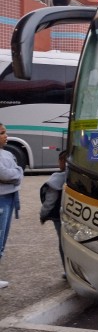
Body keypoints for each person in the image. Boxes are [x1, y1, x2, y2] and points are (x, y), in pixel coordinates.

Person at [0, 123, 24, 289]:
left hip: (9, 197)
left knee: (3, 239)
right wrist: (17, 173)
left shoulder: (6, 153)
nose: (6, 136)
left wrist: (16, 173)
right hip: (2, 199)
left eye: (5, 132)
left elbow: (16, 172)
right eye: (2, 133)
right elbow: (5, 174)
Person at [40, 150, 67, 278]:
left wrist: (43, 215)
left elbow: (49, 201)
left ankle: (68, 272)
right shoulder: (76, 177)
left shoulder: (57, 178)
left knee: (63, 244)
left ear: (62, 162)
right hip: (74, 217)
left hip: (59, 217)